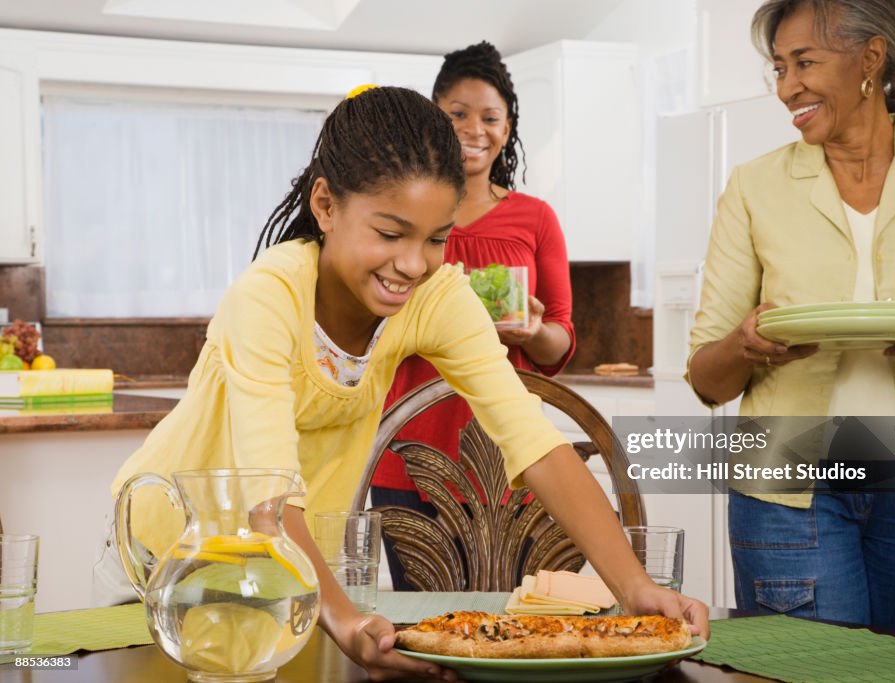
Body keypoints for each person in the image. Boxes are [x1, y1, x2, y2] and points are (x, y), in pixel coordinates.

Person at [105, 85, 709, 680]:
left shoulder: (436, 297)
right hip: (164, 565)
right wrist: (344, 622)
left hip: (282, 573)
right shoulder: (268, 298)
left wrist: (634, 586)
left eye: (437, 238)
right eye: (391, 234)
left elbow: (535, 444)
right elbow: (271, 498)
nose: (414, 263)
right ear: (326, 206)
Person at [686, 0, 895, 638]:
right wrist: (748, 343)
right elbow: (707, 377)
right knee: (808, 676)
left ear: (872, 58)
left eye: (804, 63)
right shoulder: (754, 187)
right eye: (780, 68)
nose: (788, 87)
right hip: (786, 491)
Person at [369, 41, 576, 591]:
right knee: (424, 626)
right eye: (457, 114)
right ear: (433, 117)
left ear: (507, 129)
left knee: (513, 621)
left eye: (490, 117)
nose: (474, 129)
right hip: (407, 451)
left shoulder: (535, 218)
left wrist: (532, 332)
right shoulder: (399, 213)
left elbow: (560, 342)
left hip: (511, 455)